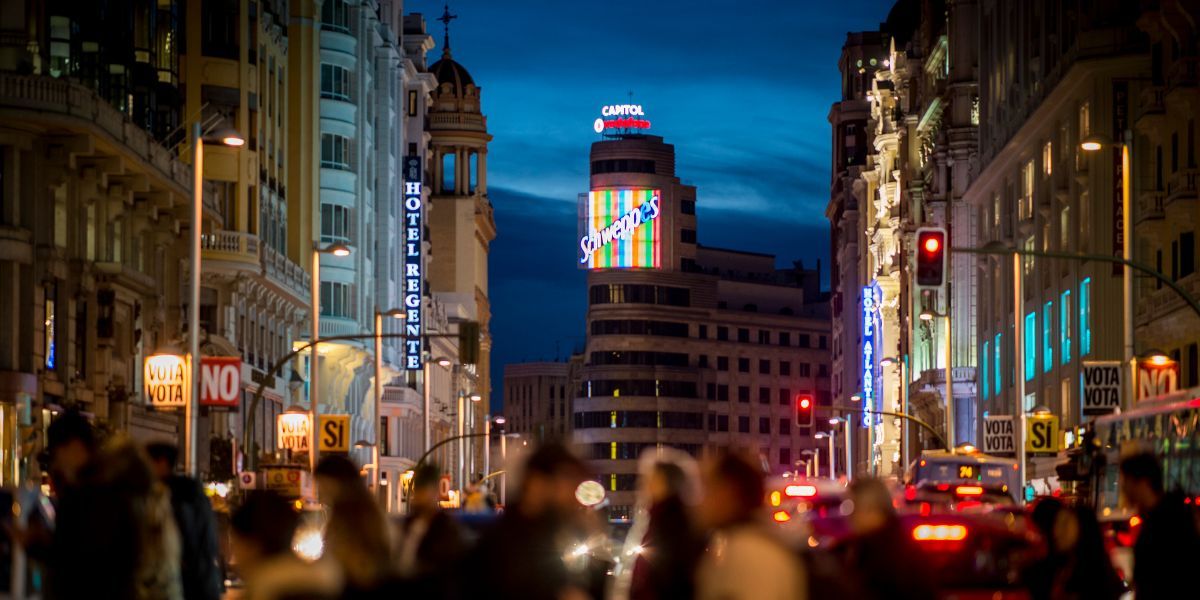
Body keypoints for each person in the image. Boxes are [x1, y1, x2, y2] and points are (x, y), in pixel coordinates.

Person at [461, 443, 593, 600]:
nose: (572, 493)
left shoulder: (554, 534)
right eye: (566, 480)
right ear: (536, 484)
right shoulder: (503, 545)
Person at [694, 451, 806, 600]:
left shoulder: (747, 556)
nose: (698, 502)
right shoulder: (739, 546)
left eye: (706, 489)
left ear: (727, 494)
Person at [229, 490, 341, 600]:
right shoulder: (328, 579)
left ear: (251, 546)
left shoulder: (265, 588)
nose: (233, 553)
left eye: (235, 544)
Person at [147, 442, 224, 600]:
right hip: (202, 579)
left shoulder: (171, 495)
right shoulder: (193, 492)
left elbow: (187, 535)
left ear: (161, 462)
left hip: (186, 580)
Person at [1119, 451, 1200, 599]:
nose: (1123, 490)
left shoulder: (1167, 525)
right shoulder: (1169, 517)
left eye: (1126, 483)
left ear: (1142, 483)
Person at [313, 456, 396, 598]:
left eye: (321, 484)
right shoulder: (365, 512)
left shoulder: (355, 517)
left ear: (336, 483)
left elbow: (360, 567)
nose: (319, 491)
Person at [839, 477, 934, 600]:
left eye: (851, 508)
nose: (849, 516)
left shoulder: (881, 556)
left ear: (870, 509)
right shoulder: (899, 546)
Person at [627, 452, 703, 600]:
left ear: (664, 482)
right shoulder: (661, 517)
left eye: (650, 478)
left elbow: (665, 576)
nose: (643, 485)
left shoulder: (670, 521)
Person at [394, 463, 466, 596]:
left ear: (435, 492)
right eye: (418, 490)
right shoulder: (407, 524)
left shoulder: (446, 530)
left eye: (424, 491)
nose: (419, 496)